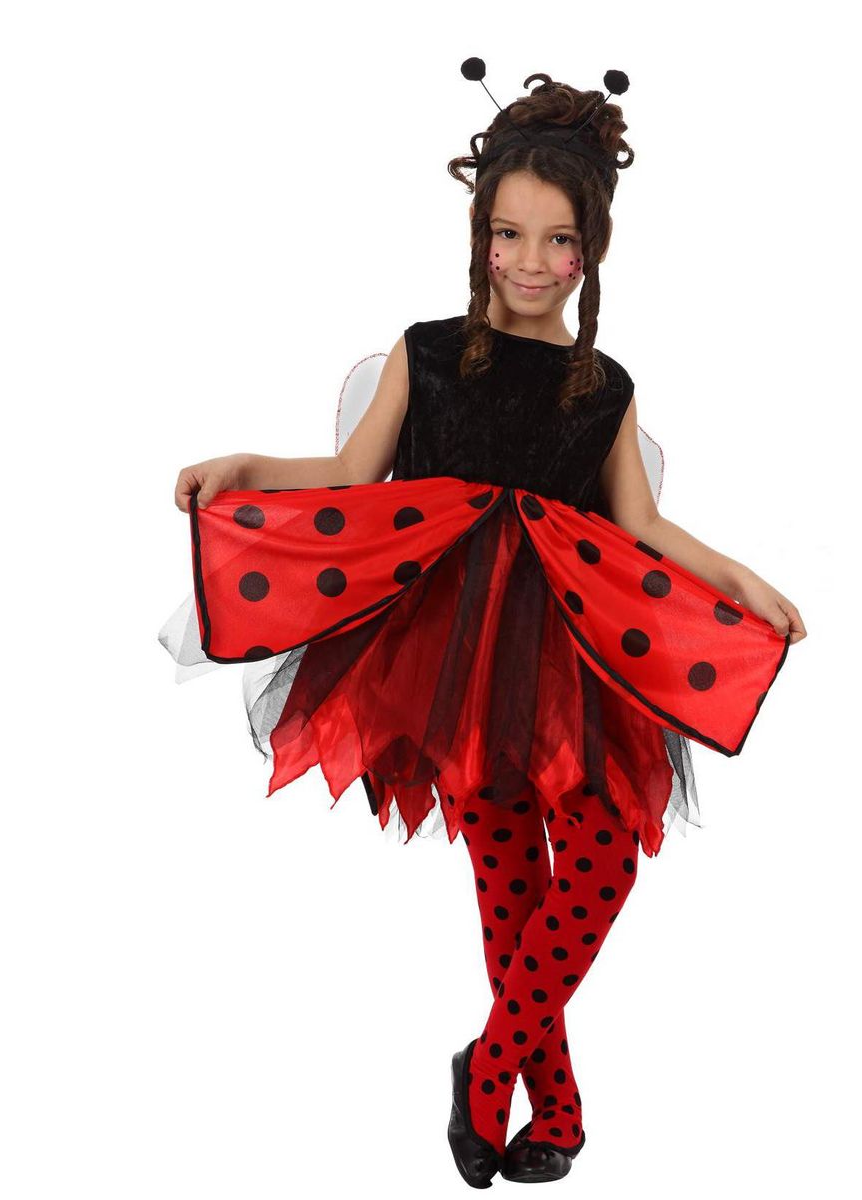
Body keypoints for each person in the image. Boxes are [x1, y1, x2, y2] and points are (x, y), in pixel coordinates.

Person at [163, 63, 806, 1187]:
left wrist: (741, 578)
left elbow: (642, 524)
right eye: (509, 234)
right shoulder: (424, 353)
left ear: (592, 251)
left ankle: (489, 1066)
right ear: (480, 235)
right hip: (450, 658)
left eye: (559, 241)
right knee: (511, 886)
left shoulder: (603, 387)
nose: (530, 262)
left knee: (601, 860)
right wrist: (246, 465)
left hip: (575, 657)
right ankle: (554, 1107)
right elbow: (351, 473)